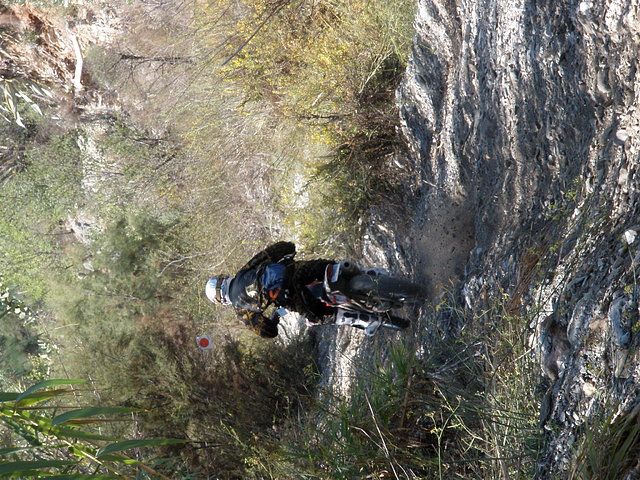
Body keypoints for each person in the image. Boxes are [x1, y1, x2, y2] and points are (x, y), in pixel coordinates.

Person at [205, 241, 336, 338]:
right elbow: (273, 251)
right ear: (223, 278)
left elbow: (268, 332)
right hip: (295, 271)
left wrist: (274, 319)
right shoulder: (243, 272)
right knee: (333, 268)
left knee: (326, 316)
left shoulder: (241, 311)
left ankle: (353, 315)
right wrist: (290, 248)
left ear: (220, 300)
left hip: (293, 297)